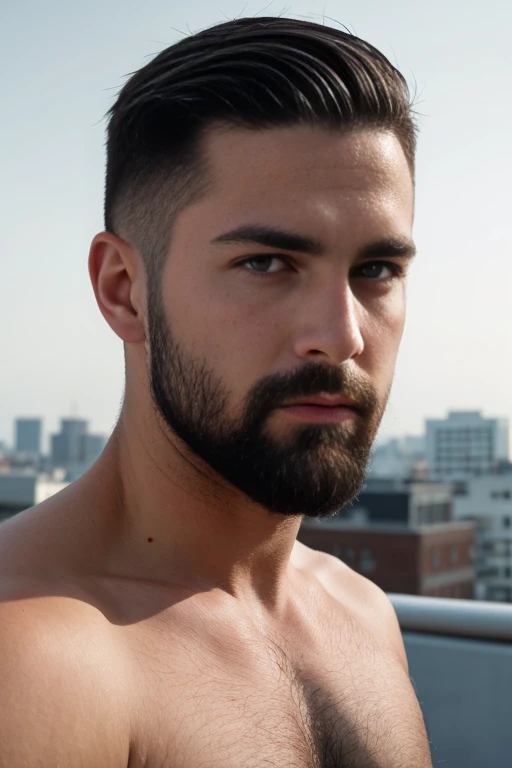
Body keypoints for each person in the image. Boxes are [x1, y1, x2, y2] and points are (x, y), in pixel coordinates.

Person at [0, 16, 433, 767]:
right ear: (124, 290)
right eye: (268, 263)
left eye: (376, 270)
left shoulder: (362, 614)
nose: (341, 336)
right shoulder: (34, 659)